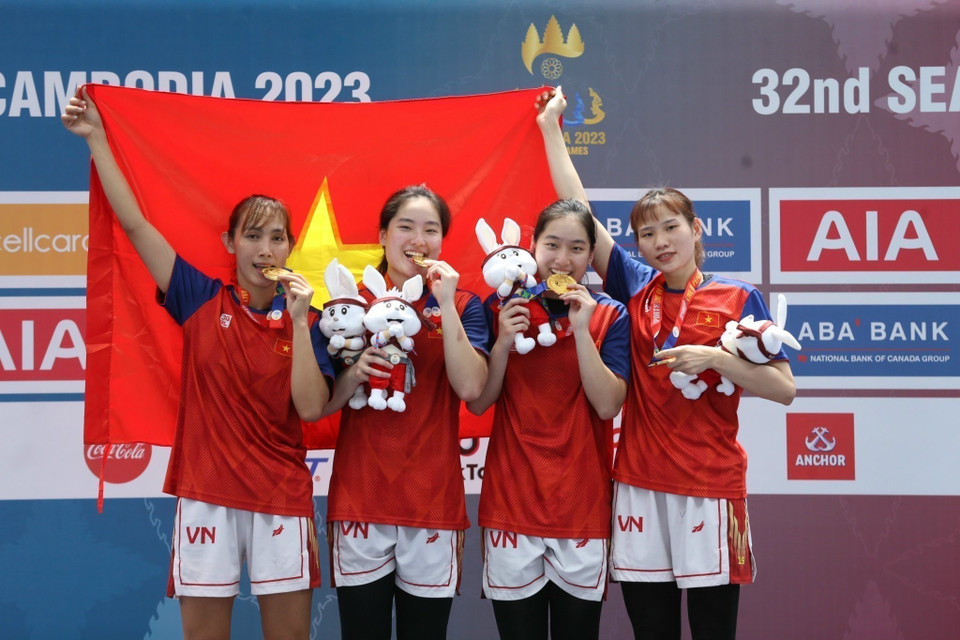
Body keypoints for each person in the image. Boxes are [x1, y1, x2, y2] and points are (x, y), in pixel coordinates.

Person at [63, 88, 334, 640]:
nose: (265, 248)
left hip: (281, 497)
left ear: (290, 248)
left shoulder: (313, 319)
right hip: (206, 495)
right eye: (252, 235)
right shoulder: (199, 298)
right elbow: (137, 227)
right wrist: (96, 139)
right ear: (229, 242)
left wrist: (303, 320)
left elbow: (310, 407)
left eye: (277, 237)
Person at [536, 88, 797, 640]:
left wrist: (716, 357)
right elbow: (579, 209)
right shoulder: (635, 285)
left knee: (711, 631)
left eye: (670, 227)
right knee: (651, 631)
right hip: (638, 486)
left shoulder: (736, 297)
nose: (659, 241)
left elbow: (783, 389)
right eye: (646, 233)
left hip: (710, 483)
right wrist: (550, 128)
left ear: (697, 230)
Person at [320, 185, 490, 639]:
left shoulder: (466, 305)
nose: (418, 240)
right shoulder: (347, 306)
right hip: (361, 498)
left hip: (432, 502)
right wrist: (354, 373)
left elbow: (473, 389)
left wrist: (447, 303)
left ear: (442, 242)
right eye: (406, 227)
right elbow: (319, 405)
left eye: (430, 230)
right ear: (382, 234)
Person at [466, 199, 630, 640]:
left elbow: (607, 405)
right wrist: (501, 341)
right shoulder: (499, 307)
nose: (563, 260)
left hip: (581, 507)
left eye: (577, 248)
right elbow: (479, 402)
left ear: (591, 255)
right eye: (552, 245)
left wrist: (581, 331)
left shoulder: (610, 315)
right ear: (532, 245)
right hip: (511, 504)